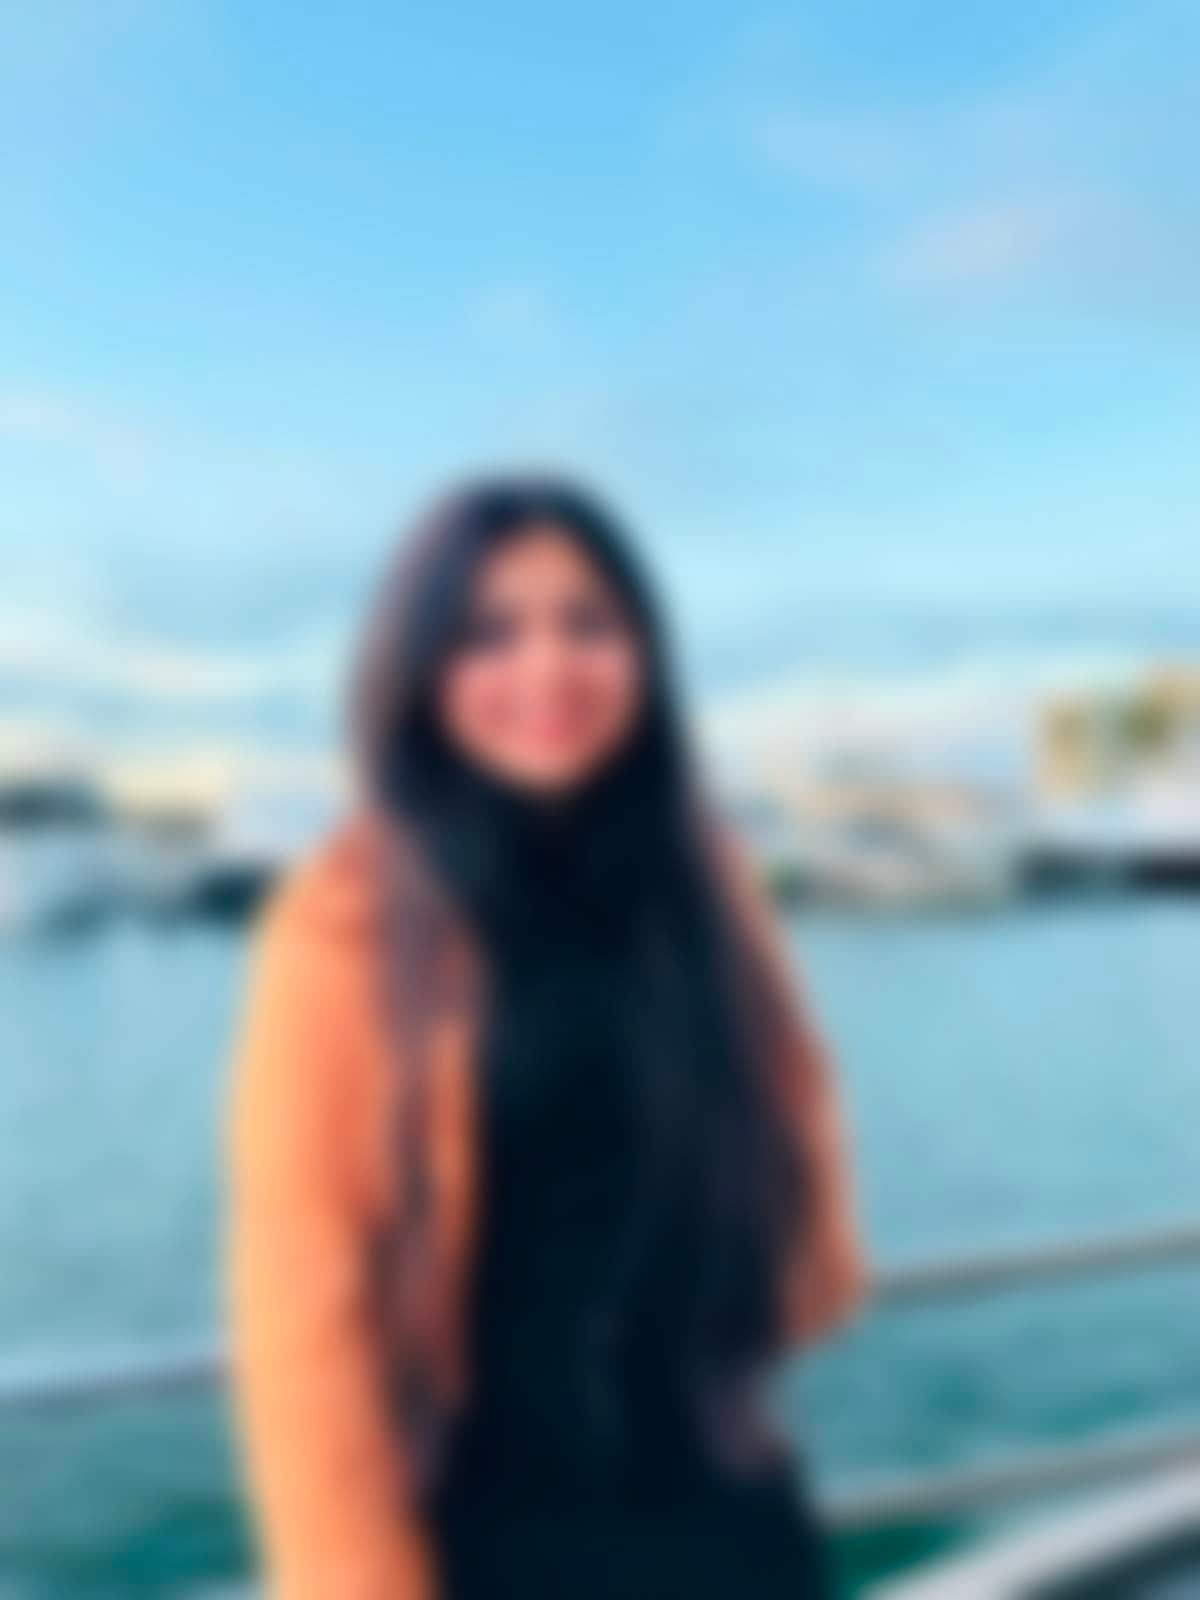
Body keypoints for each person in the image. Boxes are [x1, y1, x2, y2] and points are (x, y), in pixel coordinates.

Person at [226, 473, 866, 1599]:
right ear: (418, 667)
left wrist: (797, 1278)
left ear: (644, 653)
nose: (548, 667)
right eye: (489, 633)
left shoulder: (700, 873)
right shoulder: (344, 920)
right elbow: (299, 1307)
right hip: (489, 1539)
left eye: (588, 623)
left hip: (728, 1505)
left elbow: (790, 1090)